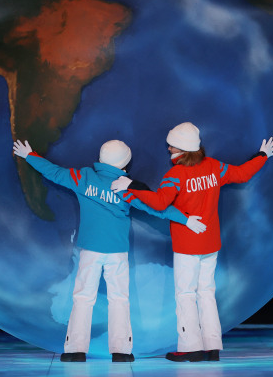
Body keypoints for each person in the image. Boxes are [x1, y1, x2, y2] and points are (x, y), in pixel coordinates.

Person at [12, 138, 207, 363]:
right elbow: (157, 208)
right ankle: (121, 351)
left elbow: (54, 173)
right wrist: (185, 219)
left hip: (90, 250)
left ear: (100, 158)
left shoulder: (84, 177)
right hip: (117, 252)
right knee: (119, 299)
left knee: (83, 297)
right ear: (125, 163)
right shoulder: (127, 187)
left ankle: (75, 350)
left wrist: (30, 155)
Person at [111, 122, 273, 362]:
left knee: (185, 294)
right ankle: (212, 347)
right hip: (211, 243)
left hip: (187, 245)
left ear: (182, 149)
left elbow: (158, 203)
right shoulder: (214, 167)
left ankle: (190, 348)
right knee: (207, 293)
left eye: (172, 145)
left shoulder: (176, 175)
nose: (168, 148)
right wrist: (262, 156)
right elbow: (242, 174)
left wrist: (132, 186)